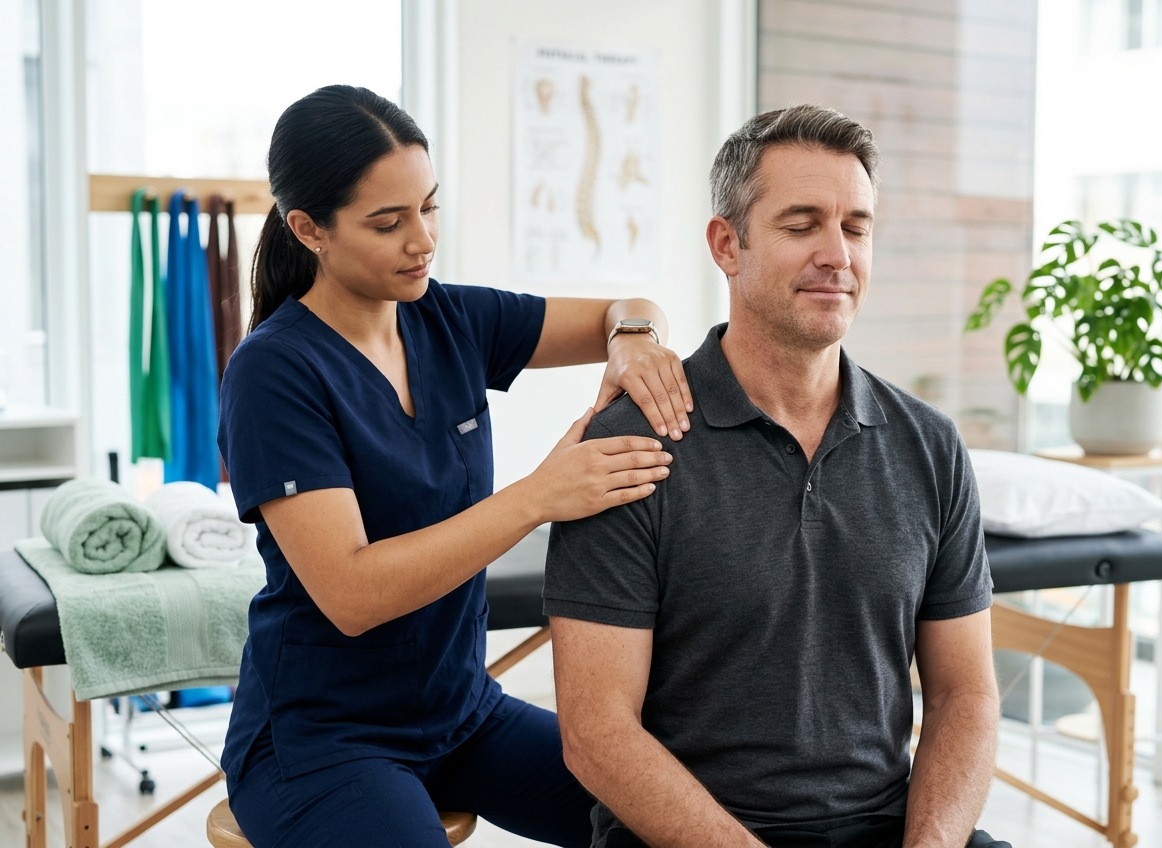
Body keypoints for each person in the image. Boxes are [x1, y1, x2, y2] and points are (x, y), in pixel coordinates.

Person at [217, 84, 694, 848]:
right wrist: (538, 497)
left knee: (673, 815)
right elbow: (351, 592)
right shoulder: (274, 373)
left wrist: (635, 336)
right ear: (309, 229)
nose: (423, 242)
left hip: (463, 713)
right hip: (323, 739)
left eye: (428, 208)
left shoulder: (451, 318)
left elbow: (623, 308)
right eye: (388, 222)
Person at [544, 104, 1008, 848]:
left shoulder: (930, 445)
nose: (838, 254)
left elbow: (966, 694)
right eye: (802, 226)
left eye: (856, 228)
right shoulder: (630, 444)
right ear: (727, 245)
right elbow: (597, 735)